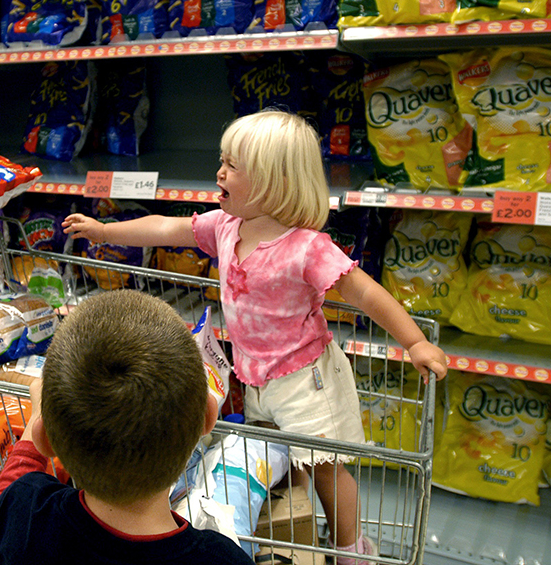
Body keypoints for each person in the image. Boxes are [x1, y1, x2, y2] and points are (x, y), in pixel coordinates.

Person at [62, 109, 449, 565]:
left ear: (272, 181)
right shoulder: (227, 227)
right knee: (286, 463)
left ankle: (349, 550)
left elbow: (362, 290)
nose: (219, 172)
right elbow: (169, 227)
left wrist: (414, 342)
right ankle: (300, 527)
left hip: (307, 381)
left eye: (232, 165)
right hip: (256, 376)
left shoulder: (306, 247)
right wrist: (106, 231)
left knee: (324, 466)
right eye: (221, 160)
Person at [0, 289, 254, 564]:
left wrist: (36, 423)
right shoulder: (222, 558)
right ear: (208, 416)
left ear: (45, 439)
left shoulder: (30, 523)